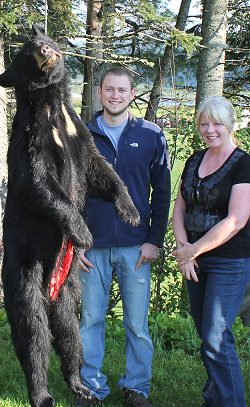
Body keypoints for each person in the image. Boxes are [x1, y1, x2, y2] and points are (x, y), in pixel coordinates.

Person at [76, 67, 171, 407]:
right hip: (92, 246)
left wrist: (154, 240)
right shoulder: (82, 135)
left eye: (122, 90)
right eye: (109, 89)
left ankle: (136, 388)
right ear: (99, 92)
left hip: (136, 247)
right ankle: (90, 387)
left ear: (133, 94)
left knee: (137, 323)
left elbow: (161, 193)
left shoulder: (151, 135)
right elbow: (70, 192)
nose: (115, 95)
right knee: (90, 319)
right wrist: (75, 242)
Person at [172, 96, 250, 407]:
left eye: (216, 123)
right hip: (194, 260)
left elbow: (236, 219)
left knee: (217, 338)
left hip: (230, 261)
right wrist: (183, 249)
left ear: (230, 125)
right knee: (208, 338)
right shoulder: (193, 160)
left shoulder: (244, 163)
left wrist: (192, 251)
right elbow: (179, 209)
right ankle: (213, 399)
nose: (209, 129)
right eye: (204, 123)